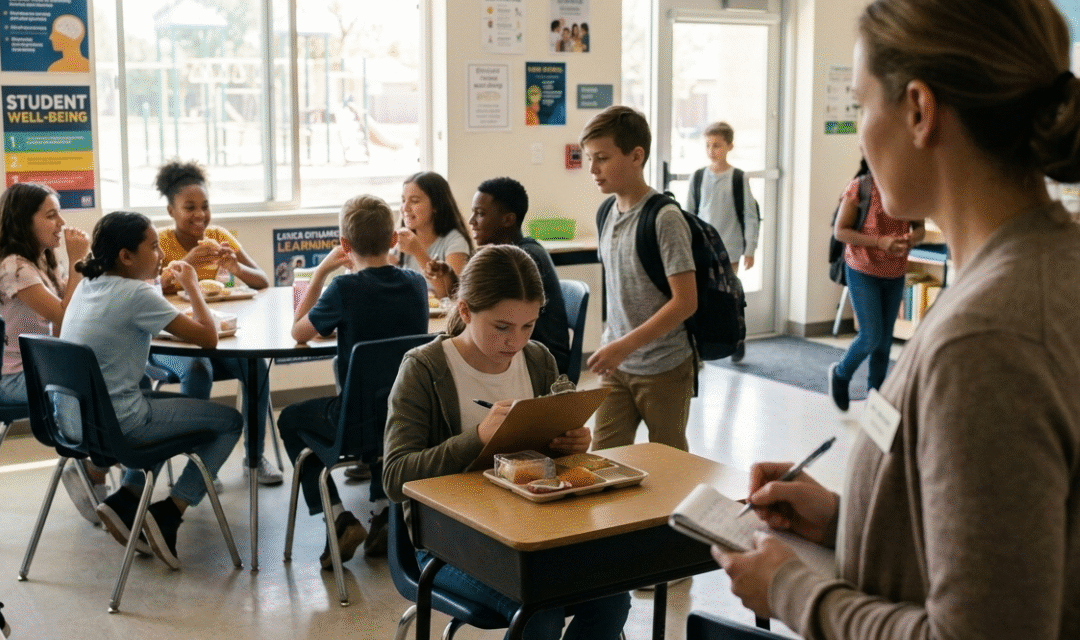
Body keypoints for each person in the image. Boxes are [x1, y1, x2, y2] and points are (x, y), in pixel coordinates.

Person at [714, 2, 1080, 639]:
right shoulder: (1042, 266)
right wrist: (849, 519)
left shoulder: (988, 339)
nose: (859, 131)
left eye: (860, 104)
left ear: (918, 110)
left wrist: (792, 590)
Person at [383, 244, 630, 640]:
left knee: (612, 596)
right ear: (465, 311)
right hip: (450, 541)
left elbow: (549, 461)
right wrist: (478, 437)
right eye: (501, 327)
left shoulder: (538, 360)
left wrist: (572, 443)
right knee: (539, 610)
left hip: (531, 531)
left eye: (528, 325)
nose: (515, 341)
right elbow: (395, 479)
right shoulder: (424, 369)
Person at [61, 211, 242, 569]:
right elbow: (207, 337)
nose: (161, 254)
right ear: (126, 257)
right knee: (231, 422)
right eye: (153, 247)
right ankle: (169, 512)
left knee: (166, 412)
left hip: (77, 422)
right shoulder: (135, 294)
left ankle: (126, 499)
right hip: (120, 424)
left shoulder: (87, 285)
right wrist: (191, 283)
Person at [280, 194, 428, 565]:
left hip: (355, 421)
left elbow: (299, 332)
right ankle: (382, 517)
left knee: (290, 420)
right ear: (394, 239)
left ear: (345, 245)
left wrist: (320, 272)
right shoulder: (415, 284)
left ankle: (338, 516)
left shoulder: (343, 290)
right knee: (383, 407)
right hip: (407, 415)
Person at [151, 159, 280, 485]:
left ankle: (254, 457)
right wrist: (185, 264)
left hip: (219, 339)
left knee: (256, 367)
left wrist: (235, 268)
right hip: (173, 344)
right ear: (171, 211)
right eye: (189, 207)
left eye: (205, 207)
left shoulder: (219, 236)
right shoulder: (160, 242)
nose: (200, 215)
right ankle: (201, 462)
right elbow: (148, 290)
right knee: (198, 369)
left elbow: (262, 281)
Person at [579, 105, 697, 452]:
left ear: (636, 155)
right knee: (603, 459)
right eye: (589, 158)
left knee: (670, 462)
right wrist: (615, 347)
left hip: (664, 366)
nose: (593, 169)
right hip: (616, 366)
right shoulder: (606, 212)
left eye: (601, 157)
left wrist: (623, 345)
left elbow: (685, 302)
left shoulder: (664, 218)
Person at [0, 182, 102, 524]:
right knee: (87, 386)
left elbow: (66, 322)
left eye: (59, 212)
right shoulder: (15, 267)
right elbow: (64, 315)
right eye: (50, 215)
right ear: (24, 221)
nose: (61, 222)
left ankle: (93, 465)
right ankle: (86, 463)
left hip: (41, 367)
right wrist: (77, 260)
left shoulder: (40, 259)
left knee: (101, 374)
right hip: (14, 378)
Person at [426, 176, 571, 376]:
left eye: (480, 214)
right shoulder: (509, 255)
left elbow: (482, 308)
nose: (471, 222)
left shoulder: (521, 263)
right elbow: (479, 304)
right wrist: (450, 276)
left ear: (508, 219)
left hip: (541, 362)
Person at [828, 160, 924, 411]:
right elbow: (841, 231)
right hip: (862, 268)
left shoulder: (908, 191)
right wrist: (880, 242)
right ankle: (841, 373)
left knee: (884, 341)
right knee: (871, 335)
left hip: (895, 270)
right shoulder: (860, 188)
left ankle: (876, 398)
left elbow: (920, 228)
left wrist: (914, 238)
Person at [685, 121, 760, 362]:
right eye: (708, 145)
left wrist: (750, 249)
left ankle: (735, 336)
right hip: (702, 250)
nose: (711, 150)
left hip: (731, 248)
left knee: (729, 294)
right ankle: (705, 340)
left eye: (717, 145)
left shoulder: (738, 178)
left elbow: (750, 216)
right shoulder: (697, 177)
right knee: (704, 294)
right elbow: (689, 214)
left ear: (729, 146)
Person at [396, 171, 473, 299]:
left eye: (414, 201)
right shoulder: (401, 240)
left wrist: (418, 252)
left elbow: (451, 293)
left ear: (436, 206)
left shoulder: (455, 240)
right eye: (403, 200)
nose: (405, 207)